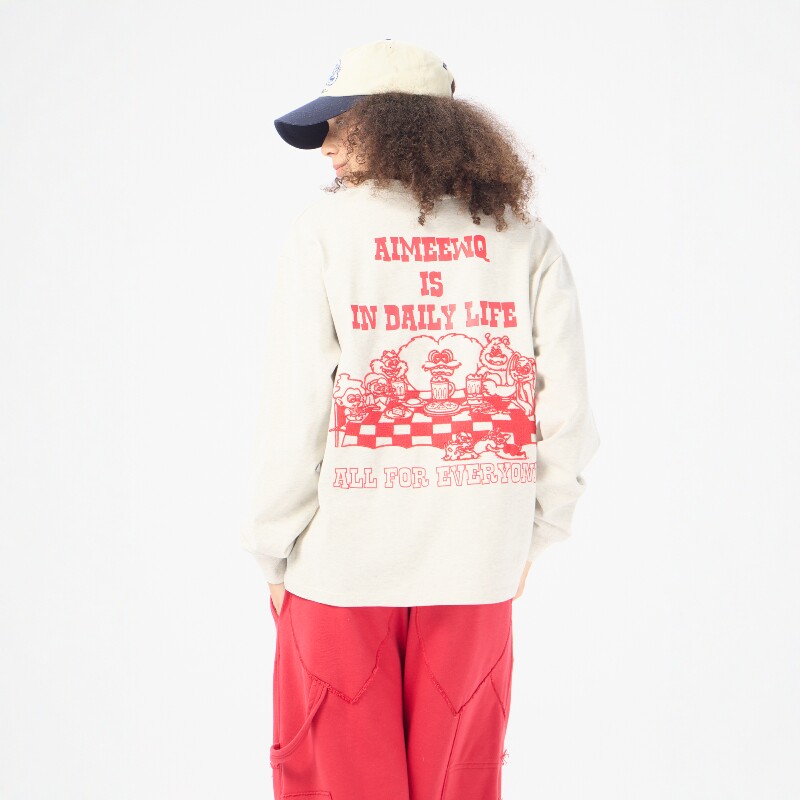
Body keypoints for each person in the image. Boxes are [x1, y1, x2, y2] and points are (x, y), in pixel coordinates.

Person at [240, 38, 601, 800]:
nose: (326, 145)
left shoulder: (324, 235)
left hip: (338, 574)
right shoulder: (525, 242)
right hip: (477, 567)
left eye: (340, 122)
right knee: (458, 783)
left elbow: (294, 413)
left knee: (339, 781)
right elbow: (567, 415)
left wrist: (272, 551)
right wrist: (531, 536)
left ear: (394, 122)